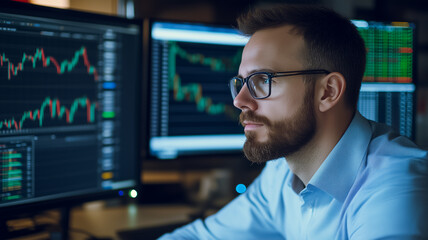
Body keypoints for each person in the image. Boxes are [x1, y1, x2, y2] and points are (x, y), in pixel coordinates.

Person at [159, 4, 428, 239]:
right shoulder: (281, 173)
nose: (239, 100)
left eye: (262, 80)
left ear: (328, 92)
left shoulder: (395, 190)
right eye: (240, 83)